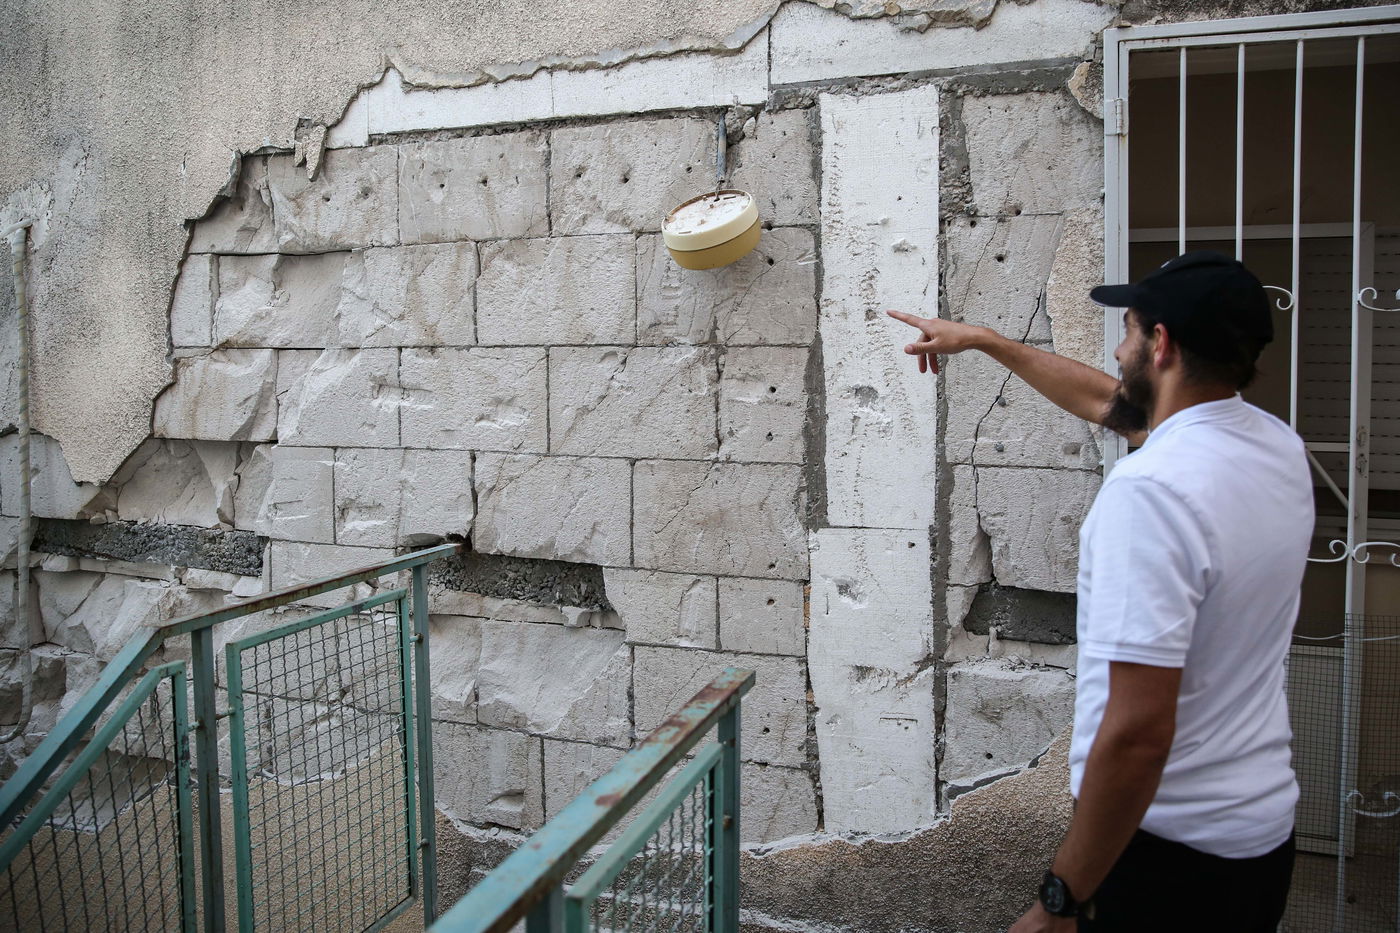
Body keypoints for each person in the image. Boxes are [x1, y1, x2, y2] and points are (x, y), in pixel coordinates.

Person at [888, 251, 1313, 932]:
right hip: (1258, 838)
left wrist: (1062, 896)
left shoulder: (1152, 492)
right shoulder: (1273, 445)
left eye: (1129, 331)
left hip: (1170, 854)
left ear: (1162, 344)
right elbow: (1106, 403)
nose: (1119, 350)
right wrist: (988, 340)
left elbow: (1138, 732)